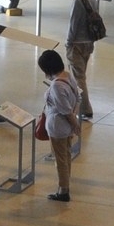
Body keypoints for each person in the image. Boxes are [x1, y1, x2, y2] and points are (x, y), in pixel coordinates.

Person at [64, 0, 106, 121]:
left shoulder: (77, 2)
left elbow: (73, 26)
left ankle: (85, 109)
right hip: (88, 43)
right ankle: (81, 107)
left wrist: (68, 43)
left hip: (76, 45)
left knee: (78, 78)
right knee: (80, 76)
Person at [37, 50, 78, 202]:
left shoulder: (56, 86)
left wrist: (75, 125)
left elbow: (64, 109)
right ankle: (65, 185)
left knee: (60, 159)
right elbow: (76, 99)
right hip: (66, 127)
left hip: (58, 127)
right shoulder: (68, 76)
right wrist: (74, 123)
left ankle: (63, 190)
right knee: (66, 156)